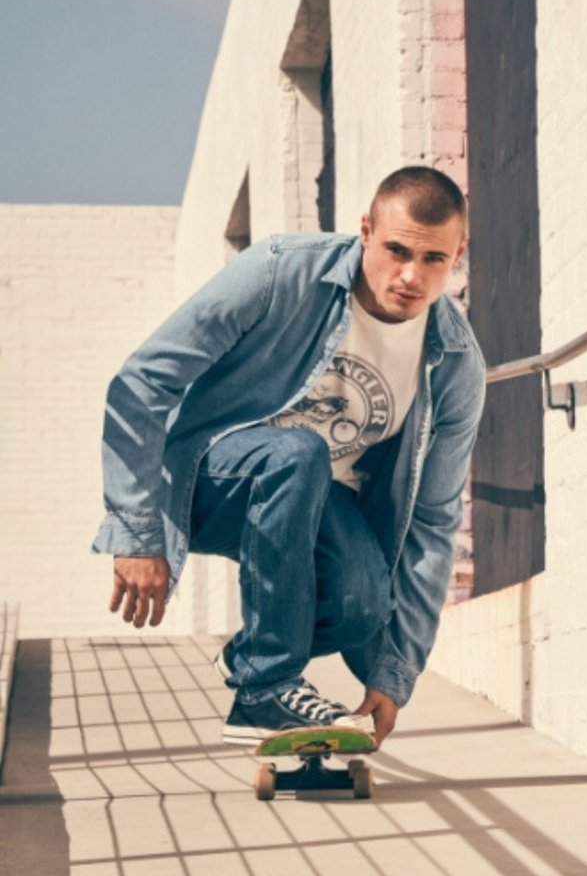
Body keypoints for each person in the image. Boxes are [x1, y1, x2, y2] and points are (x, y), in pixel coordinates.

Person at [92, 166, 487, 747]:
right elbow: (143, 380)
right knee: (297, 453)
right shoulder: (283, 271)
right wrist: (136, 529)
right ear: (365, 232)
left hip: (314, 498)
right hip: (210, 481)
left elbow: (432, 522)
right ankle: (265, 692)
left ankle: (254, 657)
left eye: (434, 259)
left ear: (458, 252)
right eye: (397, 250)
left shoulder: (453, 362)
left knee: (362, 602)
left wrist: (395, 674)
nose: (411, 276)